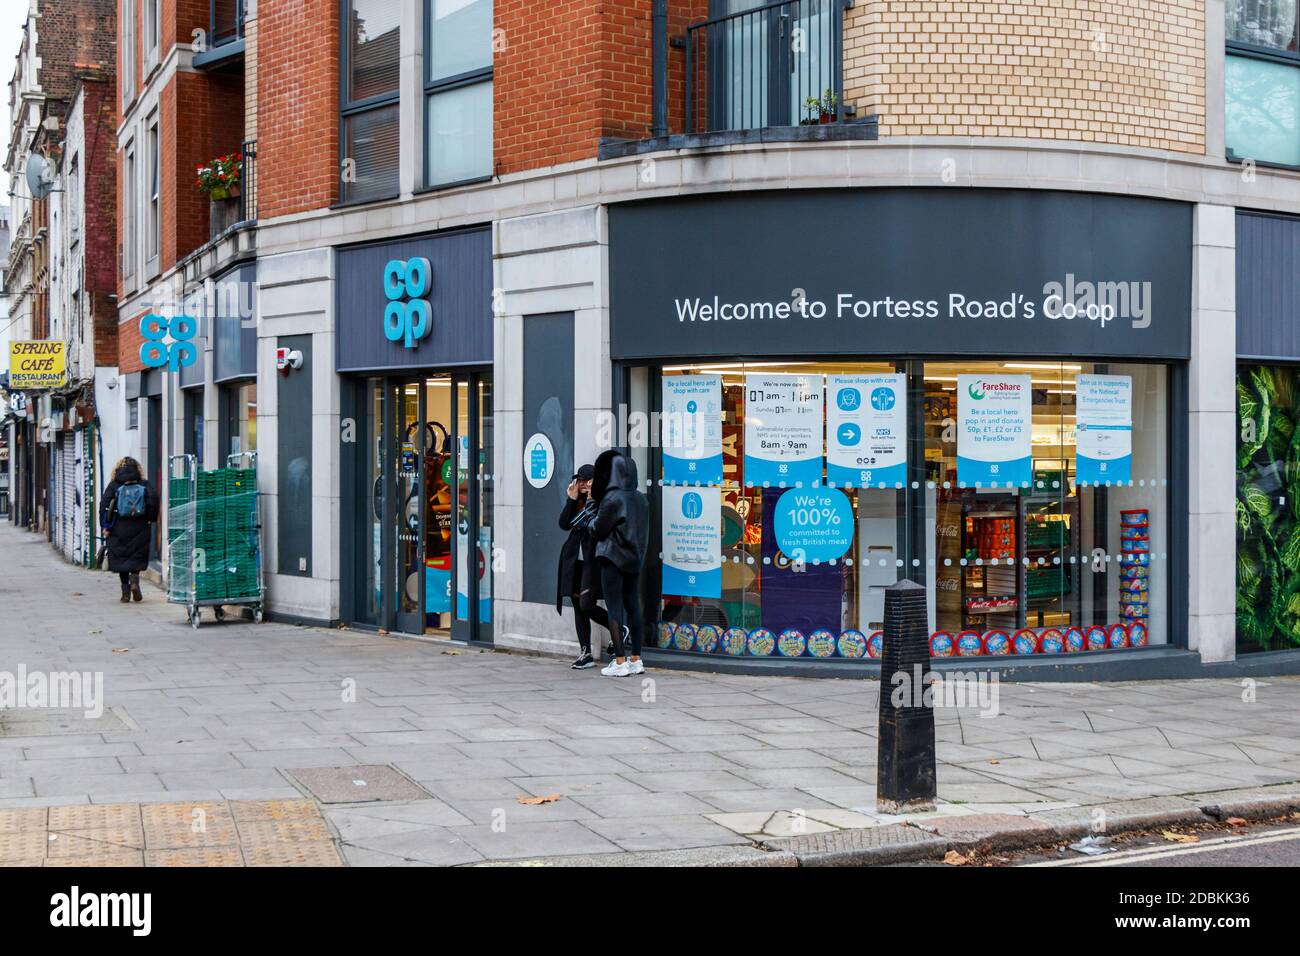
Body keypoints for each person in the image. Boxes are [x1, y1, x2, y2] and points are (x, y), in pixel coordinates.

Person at [590, 448, 649, 678]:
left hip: (612, 558)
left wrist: (591, 521)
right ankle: (636, 658)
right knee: (634, 606)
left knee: (614, 608)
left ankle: (619, 660)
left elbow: (598, 528)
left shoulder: (612, 498)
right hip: (634, 559)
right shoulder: (641, 498)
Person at [556, 463, 610, 669]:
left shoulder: (601, 501)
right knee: (578, 606)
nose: (584, 485)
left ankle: (619, 630)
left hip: (592, 560)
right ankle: (585, 652)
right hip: (573, 560)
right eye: (580, 481)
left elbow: (595, 525)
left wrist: (591, 499)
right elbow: (563, 524)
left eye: (587, 481)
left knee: (588, 604)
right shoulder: (576, 501)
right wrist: (571, 500)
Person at [99, 457, 160, 604]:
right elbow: (153, 501)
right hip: (140, 526)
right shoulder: (144, 484)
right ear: (138, 469)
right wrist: (151, 519)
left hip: (118, 528)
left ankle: (125, 593)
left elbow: (104, 506)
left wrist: (106, 526)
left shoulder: (113, 486)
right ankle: (135, 581)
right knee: (136, 556)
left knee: (122, 559)